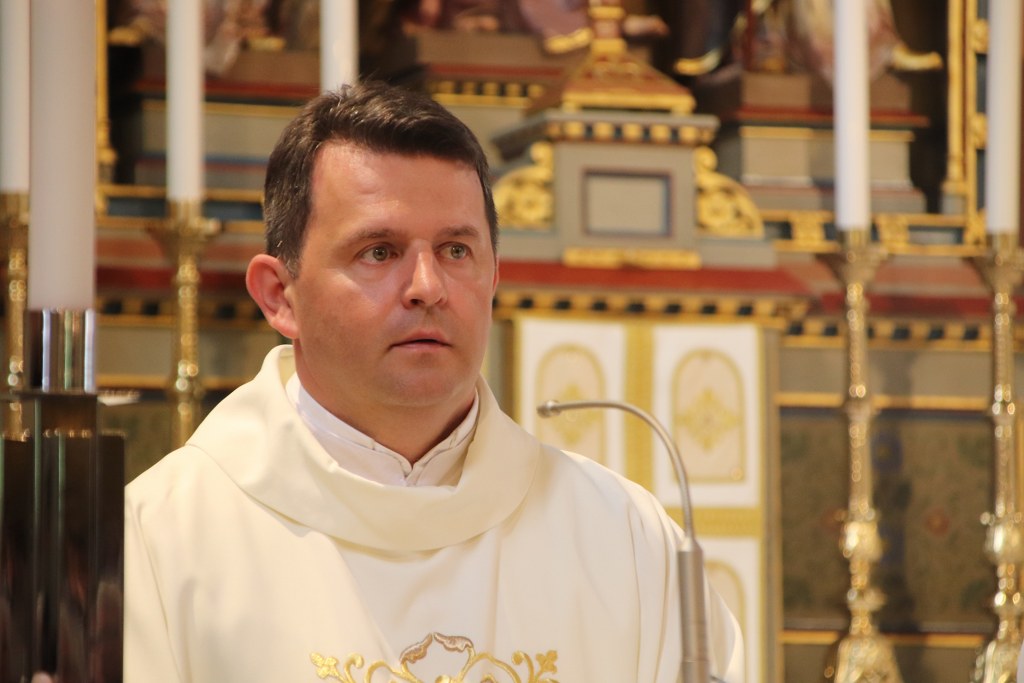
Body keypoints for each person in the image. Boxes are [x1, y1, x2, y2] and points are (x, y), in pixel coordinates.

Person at [120, 81, 744, 681]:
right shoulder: (162, 542)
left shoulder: (624, 541)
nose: (427, 287)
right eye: (379, 251)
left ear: (493, 278)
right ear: (280, 296)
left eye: (455, 250)